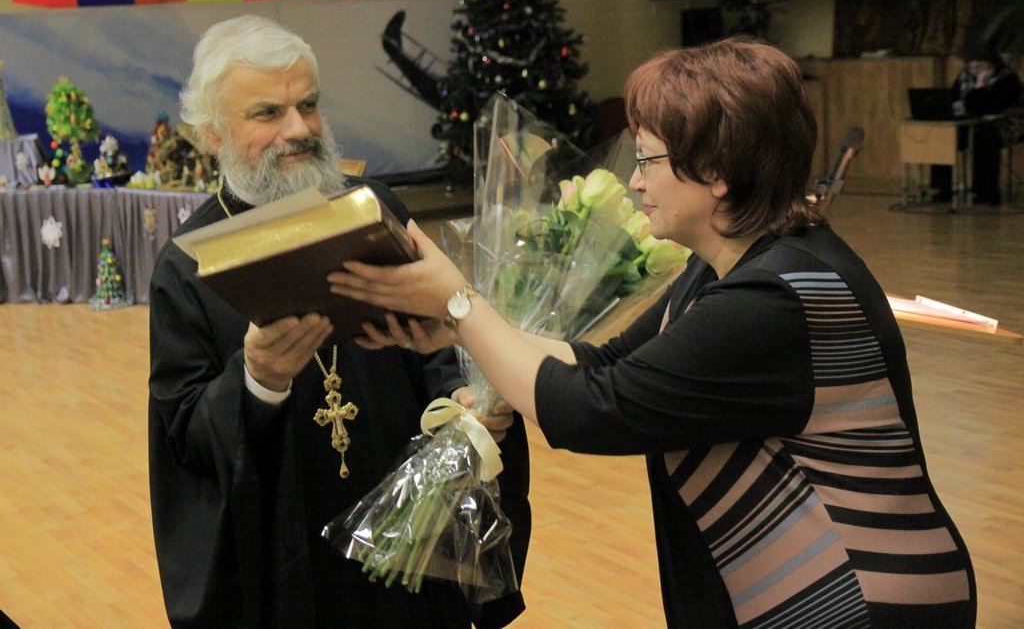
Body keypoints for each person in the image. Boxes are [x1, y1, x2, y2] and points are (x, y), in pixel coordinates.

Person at [330, 38, 977, 627]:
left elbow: (590, 409)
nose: (635, 179)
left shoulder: (773, 300)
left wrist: (461, 303)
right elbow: (603, 363)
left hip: (853, 596)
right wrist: (459, 334)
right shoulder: (724, 267)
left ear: (717, 170)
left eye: (648, 158)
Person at [148, 15, 530, 629]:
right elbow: (184, 440)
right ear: (213, 134)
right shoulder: (190, 264)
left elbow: (437, 339)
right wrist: (256, 381)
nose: (299, 129)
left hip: (411, 538)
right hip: (290, 560)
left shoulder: (371, 208)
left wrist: (462, 394)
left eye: (308, 105)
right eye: (268, 113)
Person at [931, 43, 1022, 205]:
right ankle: (944, 188)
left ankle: (986, 192)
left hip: (1006, 123)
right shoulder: (964, 77)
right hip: (971, 121)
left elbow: (989, 106)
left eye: (979, 67)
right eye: (971, 67)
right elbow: (955, 98)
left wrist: (980, 86)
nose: (974, 71)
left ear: (992, 65)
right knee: (945, 135)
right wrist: (956, 105)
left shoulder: (1007, 79)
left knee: (983, 137)